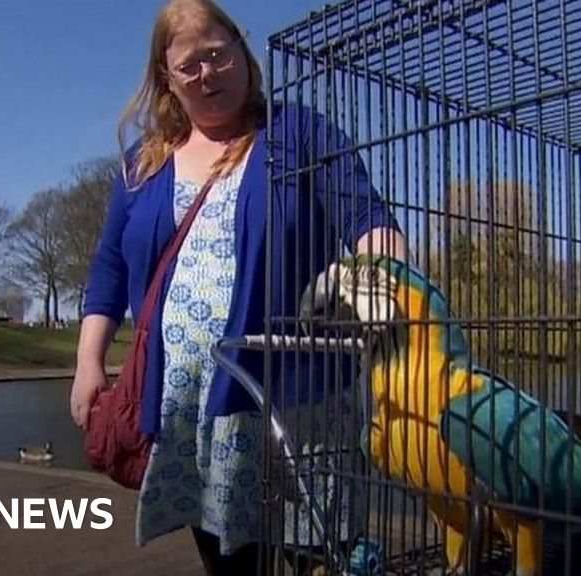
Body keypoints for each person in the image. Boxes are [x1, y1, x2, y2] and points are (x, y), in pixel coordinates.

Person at [69, 0, 407, 574]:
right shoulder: (143, 163)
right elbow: (108, 268)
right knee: (228, 559)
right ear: (167, 81)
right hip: (187, 409)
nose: (206, 74)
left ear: (240, 51)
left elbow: (367, 221)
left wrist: (388, 280)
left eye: (216, 55)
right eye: (188, 66)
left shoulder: (297, 133)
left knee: (312, 554)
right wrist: (88, 361)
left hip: (297, 404)